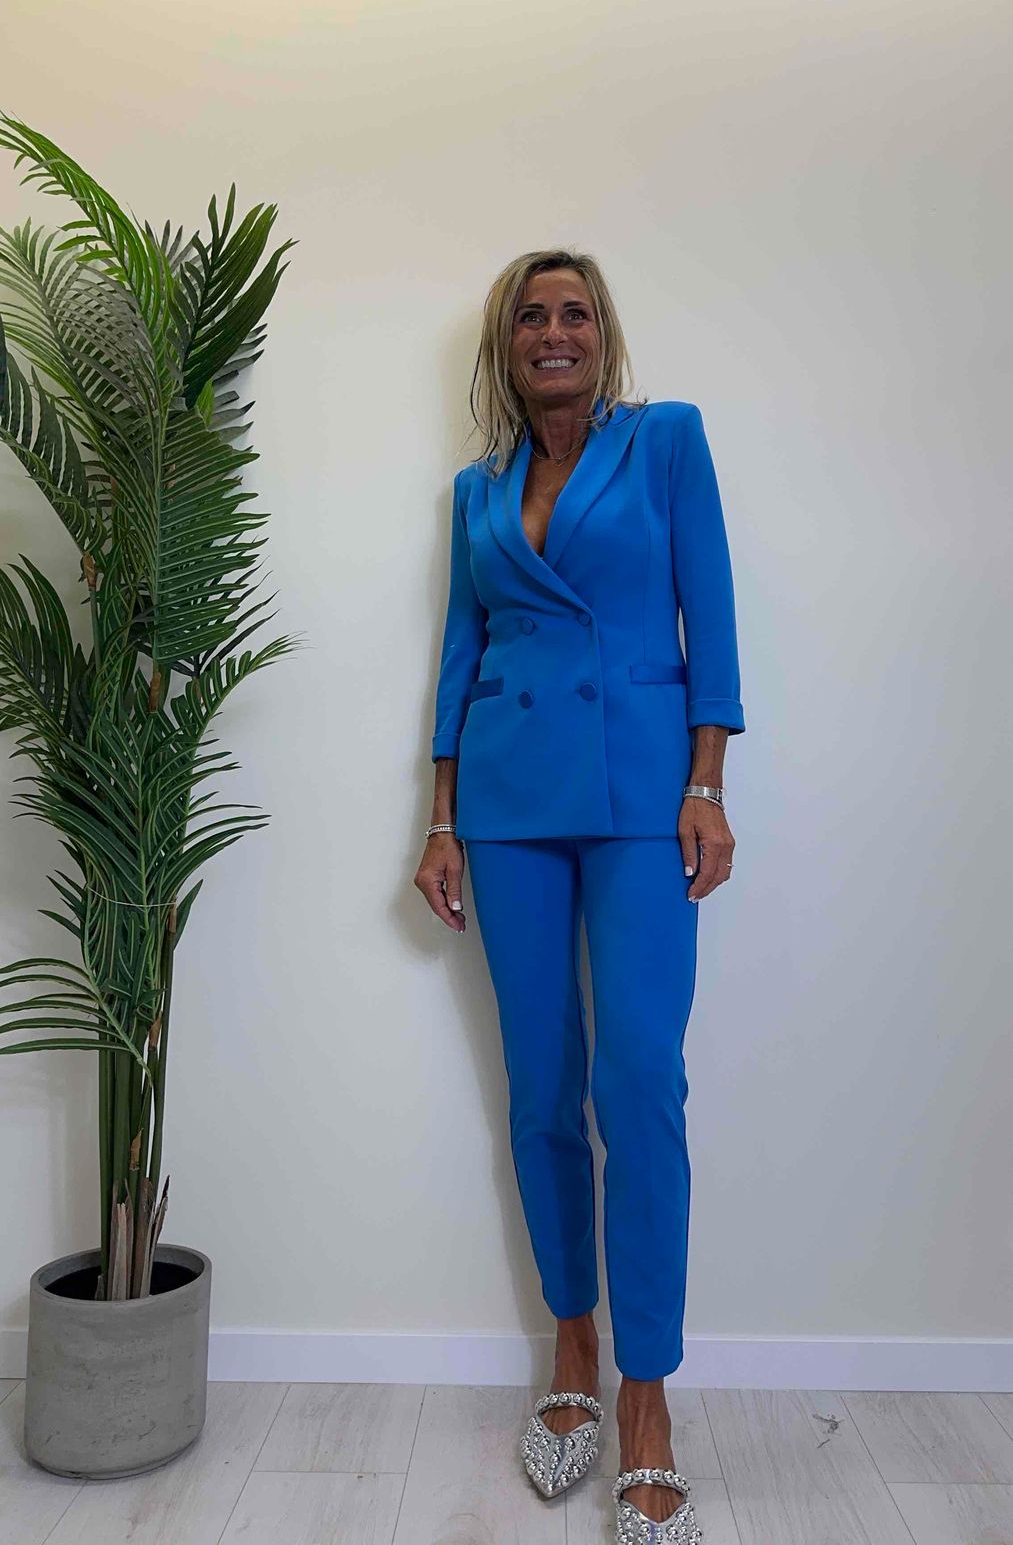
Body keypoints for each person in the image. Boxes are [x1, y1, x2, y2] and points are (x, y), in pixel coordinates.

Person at [415, 248, 744, 1544]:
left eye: (575, 313)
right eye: (530, 317)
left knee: (638, 1081)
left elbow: (708, 613)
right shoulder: (477, 490)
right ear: (504, 346)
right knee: (543, 1085)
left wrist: (706, 784)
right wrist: (441, 817)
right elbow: (462, 650)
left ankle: (645, 1394)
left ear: (602, 334)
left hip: (639, 793)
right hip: (505, 806)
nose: (553, 332)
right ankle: (571, 1346)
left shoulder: (665, 443)